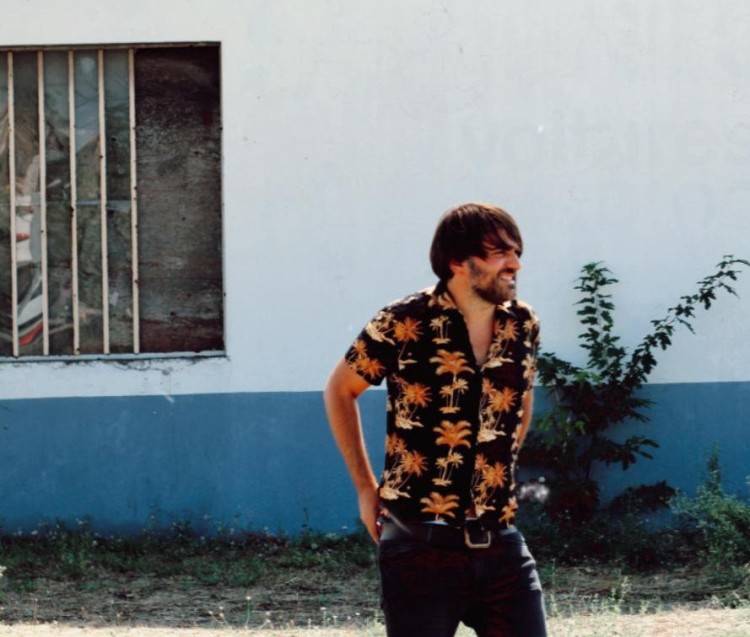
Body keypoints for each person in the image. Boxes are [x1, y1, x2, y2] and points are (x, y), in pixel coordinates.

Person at [324, 202, 548, 637]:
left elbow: (520, 400)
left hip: (500, 543)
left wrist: (497, 472)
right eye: (499, 253)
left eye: (516, 252)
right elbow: (340, 390)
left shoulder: (523, 323)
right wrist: (365, 488)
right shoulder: (403, 321)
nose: (515, 264)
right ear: (457, 262)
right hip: (418, 546)